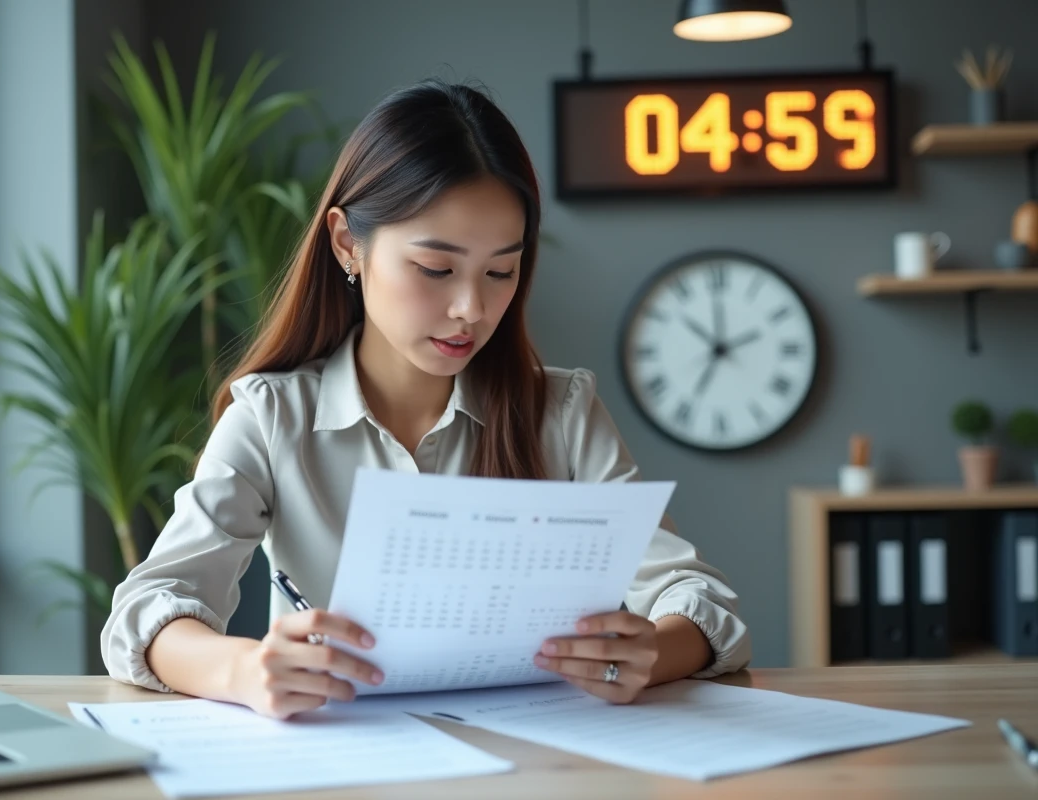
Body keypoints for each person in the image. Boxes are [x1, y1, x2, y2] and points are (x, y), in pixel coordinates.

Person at [102, 78, 751, 720]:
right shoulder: (272, 420)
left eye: (502, 271)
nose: (471, 308)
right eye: (436, 269)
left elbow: (699, 599)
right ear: (347, 243)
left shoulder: (563, 412)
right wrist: (242, 669)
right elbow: (147, 608)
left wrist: (651, 652)